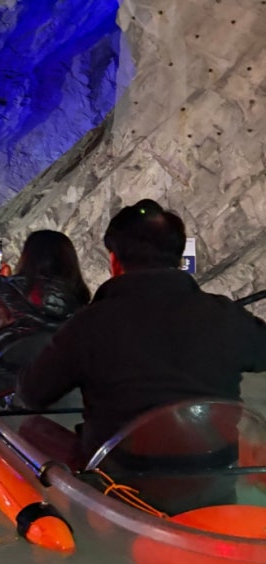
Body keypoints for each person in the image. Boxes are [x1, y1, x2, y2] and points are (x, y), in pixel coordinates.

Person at [16, 199, 266, 466]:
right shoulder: (227, 315)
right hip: (215, 474)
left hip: (119, 479)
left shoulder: (89, 323)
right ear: (179, 258)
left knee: (30, 429)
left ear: (114, 262)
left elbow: (32, 395)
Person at [0, 230, 90, 394]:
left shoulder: (10, 296)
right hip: (60, 392)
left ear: (27, 260)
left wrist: (4, 286)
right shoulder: (84, 307)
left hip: (1, 392)